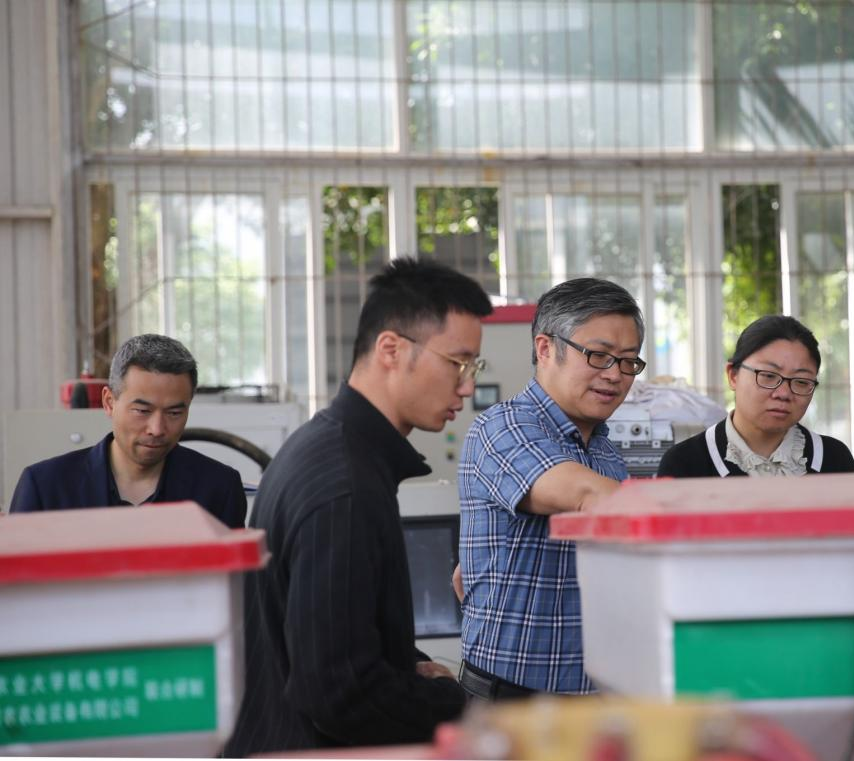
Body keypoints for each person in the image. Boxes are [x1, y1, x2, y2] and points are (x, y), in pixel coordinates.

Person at [224, 258, 490, 756]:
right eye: (458, 363)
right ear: (391, 349)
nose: (468, 386)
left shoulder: (330, 449)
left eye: (474, 368)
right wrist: (453, 703)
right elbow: (339, 692)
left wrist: (404, 664)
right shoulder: (343, 485)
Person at [457, 278, 644, 699]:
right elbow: (586, 496)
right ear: (545, 348)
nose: (615, 375)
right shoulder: (503, 426)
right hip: (508, 700)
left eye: (629, 361)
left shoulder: (606, 452)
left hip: (593, 697)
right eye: (598, 356)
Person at [9, 334, 246, 528]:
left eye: (174, 413)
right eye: (142, 411)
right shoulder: (46, 488)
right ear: (109, 402)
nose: (157, 429)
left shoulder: (218, 489)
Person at [656, 315, 854, 478]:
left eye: (801, 382)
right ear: (733, 376)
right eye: (768, 376)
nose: (783, 394)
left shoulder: (834, 460)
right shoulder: (685, 463)